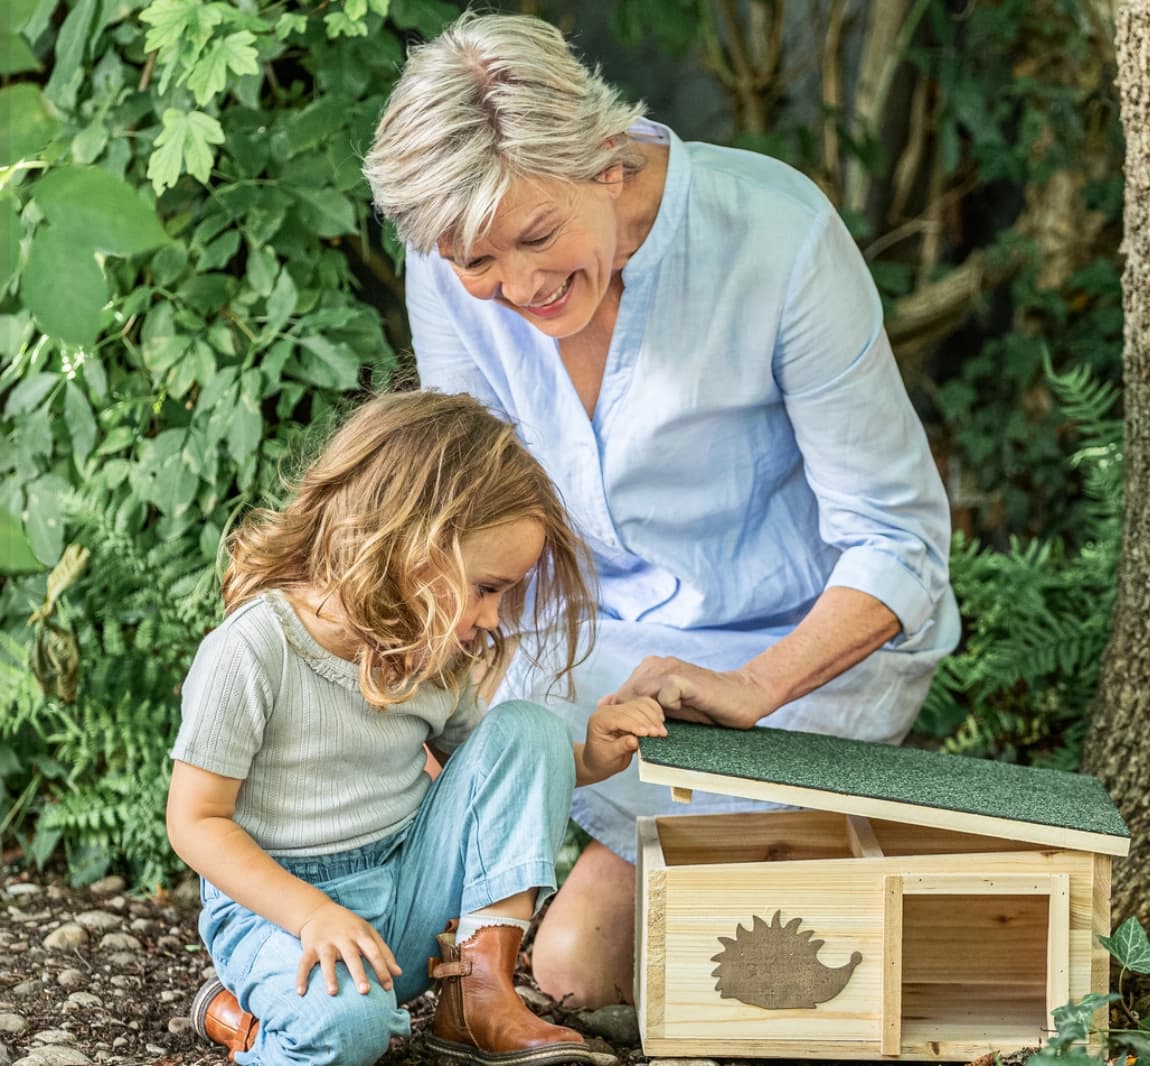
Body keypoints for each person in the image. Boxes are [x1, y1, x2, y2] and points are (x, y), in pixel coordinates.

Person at [363, 12, 960, 1007]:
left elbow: (898, 545)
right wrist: (445, 701)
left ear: (606, 162)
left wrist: (753, 689)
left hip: (797, 656)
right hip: (594, 648)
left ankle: (830, 834)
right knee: (427, 786)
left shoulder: (777, 231)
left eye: (538, 236)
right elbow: (474, 518)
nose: (513, 286)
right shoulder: (447, 260)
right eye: (478, 263)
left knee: (572, 965)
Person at [167, 390, 665, 1066]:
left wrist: (593, 758)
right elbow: (195, 822)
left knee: (528, 727)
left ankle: (477, 999)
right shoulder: (256, 650)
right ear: (409, 544)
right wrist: (312, 914)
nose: (494, 619)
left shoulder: (432, 653)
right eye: (488, 587)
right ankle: (251, 1026)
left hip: (403, 897)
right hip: (278, 914)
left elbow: (495, 775)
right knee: (352, 1031)